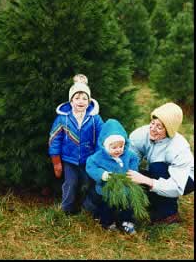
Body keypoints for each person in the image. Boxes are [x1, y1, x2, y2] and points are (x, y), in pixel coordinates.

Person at [127, 102, 194, 224]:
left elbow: (177, 187)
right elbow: (131, 157)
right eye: (152, 123)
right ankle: (153, 203)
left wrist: (146, 180)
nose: (152, 129)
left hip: (185, 179)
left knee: (157, 167)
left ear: (168, 130)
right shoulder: (141, 134)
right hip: (158, 171)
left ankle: (169, 214)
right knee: (144, 172)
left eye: (159, 127)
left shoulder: (179, 148)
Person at [48, 74, 104, 215]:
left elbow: (101, 138)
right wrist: (56, 161)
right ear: (71, 101)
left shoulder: (94, 118)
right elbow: (54, 139)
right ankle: (67, 209)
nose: (81, 101)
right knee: (70, 184)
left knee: (88, 184)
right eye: (77, 98)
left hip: (88, 160)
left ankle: (88, 208)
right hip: (69, 160)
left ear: (89, 101)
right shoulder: (63, 118)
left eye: (85, 98)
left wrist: (98, 157)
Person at [86, 118, 139, 234]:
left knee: (128, 205)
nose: (118, 150)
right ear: (105, 145)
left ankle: (127, 222)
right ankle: (107, 222)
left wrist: (132, 172)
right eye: (114, 147)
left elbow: (134, 159)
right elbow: (90, 166)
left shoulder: (128, 154)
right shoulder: (98, 157)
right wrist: (103, 175)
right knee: (107, 206)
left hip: (125, 187)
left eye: (121, 146)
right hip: (107, 188)